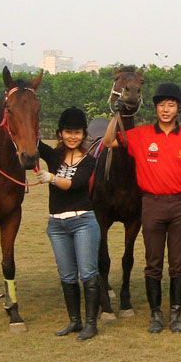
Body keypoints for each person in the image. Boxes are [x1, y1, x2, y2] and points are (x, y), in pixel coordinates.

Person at [103, 81, 181, 334]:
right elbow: (108, 141)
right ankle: (156, 314)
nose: (166, 110)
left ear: (178, 108)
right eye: (161, 105)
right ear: (155, 108)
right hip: (152, 204)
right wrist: (115, 115)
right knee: (153, 263)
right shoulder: (141, 135)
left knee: (178, 264)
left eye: (171, 105)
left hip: (180, 204)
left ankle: (176, 313)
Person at [36, 107, 101, 341]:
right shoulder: (53, 156)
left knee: (87, 272)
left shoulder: (89, 161)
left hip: (82, 221)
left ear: (84, 135)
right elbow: (33, 142)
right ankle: (75, 320)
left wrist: (51, 177)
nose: (72, 136)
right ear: (60, 133)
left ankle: (91, 324)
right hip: (57, 225)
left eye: (77, 132)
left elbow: (74, 184)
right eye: (67, 132)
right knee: (67, 275)